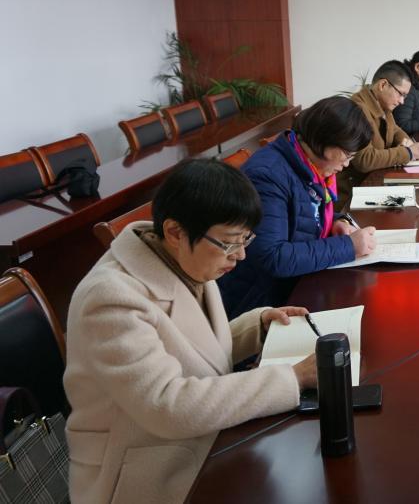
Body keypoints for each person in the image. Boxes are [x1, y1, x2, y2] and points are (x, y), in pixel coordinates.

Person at [63, 159, 317, 504]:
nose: (241, 255)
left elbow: (190, 349)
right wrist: (292, 379)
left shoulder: (185, 257)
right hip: (139, 477)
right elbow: (167, 405)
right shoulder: (109, 299)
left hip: (196, 445)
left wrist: (256, 326)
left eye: (245, 239)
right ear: (174, 232)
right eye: (230, 243)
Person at [218, 97, 378, 318]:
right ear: (327, 141)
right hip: (264, 302)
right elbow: (272, 256)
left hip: (297, 284)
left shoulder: (305, 163)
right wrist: (348, 247)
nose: (347, 164)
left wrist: (336, 222)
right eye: (347, 155)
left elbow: (303, 214)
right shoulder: (267, 175)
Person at [339, 60, 419, 200]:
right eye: (401, 94)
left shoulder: (381, 104)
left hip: (373, 183)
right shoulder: (357, 110)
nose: (402, 101)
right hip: (353, 194)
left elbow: (395, 130)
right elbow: (364, 160)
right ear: (383, 85)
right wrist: (408, 153)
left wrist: (406, 141)